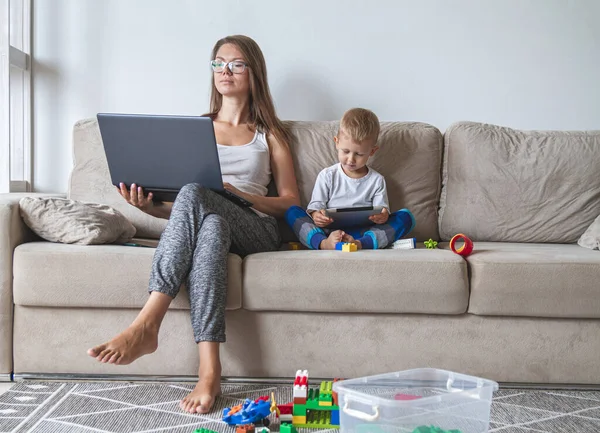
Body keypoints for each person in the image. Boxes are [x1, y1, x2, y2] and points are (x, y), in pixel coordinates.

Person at [87, 35, 300, 414]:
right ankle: (209, 371)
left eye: (236, 64)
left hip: (257, 227)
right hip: (212, 222)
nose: (225, 71)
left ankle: (147, 323)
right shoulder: (197, 129)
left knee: (200, 194)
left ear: (254, 73)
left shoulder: (271, 134)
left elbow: (290, 204)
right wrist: (150, 208)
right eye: (218, 63)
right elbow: (189, 209)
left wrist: (240, 194)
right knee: (211, 222)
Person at [285, 108, 414, 250]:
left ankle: (360, 244)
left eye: (359, 154)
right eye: (346, 151)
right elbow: (315, 207)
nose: (351, 159)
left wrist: (382, 216)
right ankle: (323, 244)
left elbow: (382, 211)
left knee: (405, 217)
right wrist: (317, 215)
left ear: (372, 151)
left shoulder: (377, 180)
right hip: (328, 232)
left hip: (364, 232)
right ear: (337, 142)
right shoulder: (328, 175)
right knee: (292, 212)